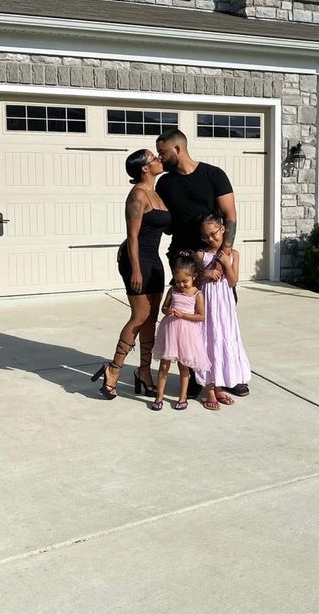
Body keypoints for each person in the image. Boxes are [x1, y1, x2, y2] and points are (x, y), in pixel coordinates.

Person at [155, 127, 249, 397]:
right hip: (184, 261)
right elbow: (167, 224)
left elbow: (230, 215)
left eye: (162, 153)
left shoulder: (213, 175)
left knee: (222, 320)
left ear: (177, 149)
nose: (160, 159)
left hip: (216, 259)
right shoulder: (165, 184)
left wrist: (223, 257)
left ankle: (229, 376)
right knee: (190, 324)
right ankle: (197, 375)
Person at [92, 149, 170, 399]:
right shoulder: (137, 195)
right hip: (137, 260)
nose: (159, 159)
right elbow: (132, 236)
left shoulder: (155, 193)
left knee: (151, 318)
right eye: (153, 158)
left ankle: (144, 372)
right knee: (139, 316)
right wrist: (135, 269)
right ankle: (113, 369)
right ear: (144, 168)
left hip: (154, 260)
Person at [195, 213, 251, 410]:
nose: (211, 239)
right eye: (206, 236)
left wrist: (226, 263)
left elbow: (233, 281)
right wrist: (205, 273)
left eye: (213, 234)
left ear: (223, 230)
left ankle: (220, 388)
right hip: (208, 306)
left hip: (225, 307)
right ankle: (209, 389)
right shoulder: (201, 255)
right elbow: (191, 279)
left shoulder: (233, 254)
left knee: (223, 340)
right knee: (209, 341)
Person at [151, 252, 208, 411]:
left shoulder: (197, 294)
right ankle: (159, 396)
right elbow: (163, 308)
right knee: (163, 366)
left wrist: (183, 315)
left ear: (194, 276)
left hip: (187, 334)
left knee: (184, 367)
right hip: (169, 332)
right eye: (178, 281)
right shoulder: (173, 291)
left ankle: (182, 397)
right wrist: (168, 311)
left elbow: (201, 316)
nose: (181, 285)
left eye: (185, 281)